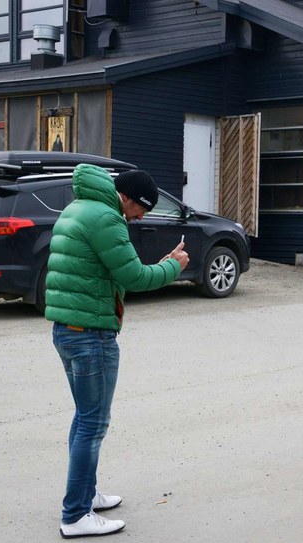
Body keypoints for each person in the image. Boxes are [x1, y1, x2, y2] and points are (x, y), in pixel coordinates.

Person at [45, 165, 189, 538]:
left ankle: (86, 495)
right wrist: (173, 266)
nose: (142, 217)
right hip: (91, 335)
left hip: (68, 330)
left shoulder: (79, 207)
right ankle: (75, 515)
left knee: (84, 418)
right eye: (143, 209)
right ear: (128, 199)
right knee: (93, 424)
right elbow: (135, 278)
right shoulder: (107, 218)